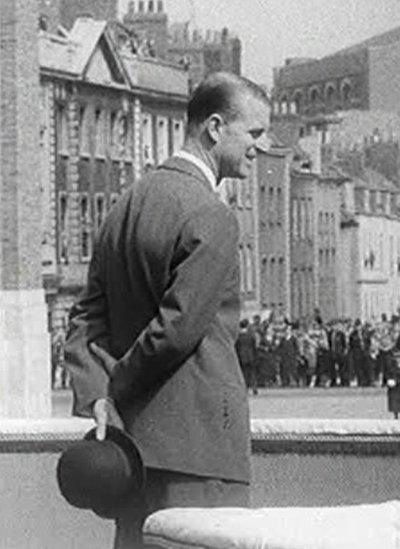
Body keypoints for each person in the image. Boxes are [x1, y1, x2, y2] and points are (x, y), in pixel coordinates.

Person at [63, 71, 271, 548]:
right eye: (254, 133)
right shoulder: (210, 214)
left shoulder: (124, 205)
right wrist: (115, 388)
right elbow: (178, 329)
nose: (260, 147)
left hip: (131, 455)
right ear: (215, 128)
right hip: (199, 453)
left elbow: (85, 317)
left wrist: (98, 393)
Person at [384, 350, 400, 419]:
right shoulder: (392, 366)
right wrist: (388, 381)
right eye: (396, 358)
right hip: (394, 388)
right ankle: (395, 415)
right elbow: (387, 374)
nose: (397, 359)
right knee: (394, 402)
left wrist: (397, 381)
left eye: (399, 358)